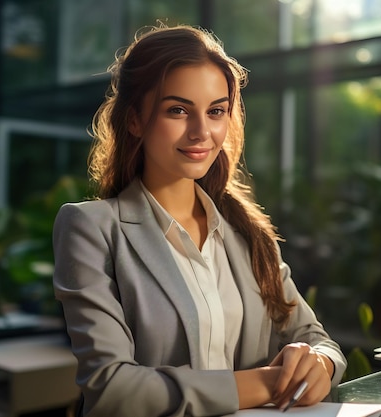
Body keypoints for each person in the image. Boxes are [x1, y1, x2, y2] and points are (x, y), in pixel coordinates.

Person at [52, 23, 347, 417]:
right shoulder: (92, 229)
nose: (201, 132)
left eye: (216, 111)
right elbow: (112, 389)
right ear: (136, 119)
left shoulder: (247, 233)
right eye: (178, 110)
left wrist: (319, 364)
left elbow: (316, 340)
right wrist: (269, 383)